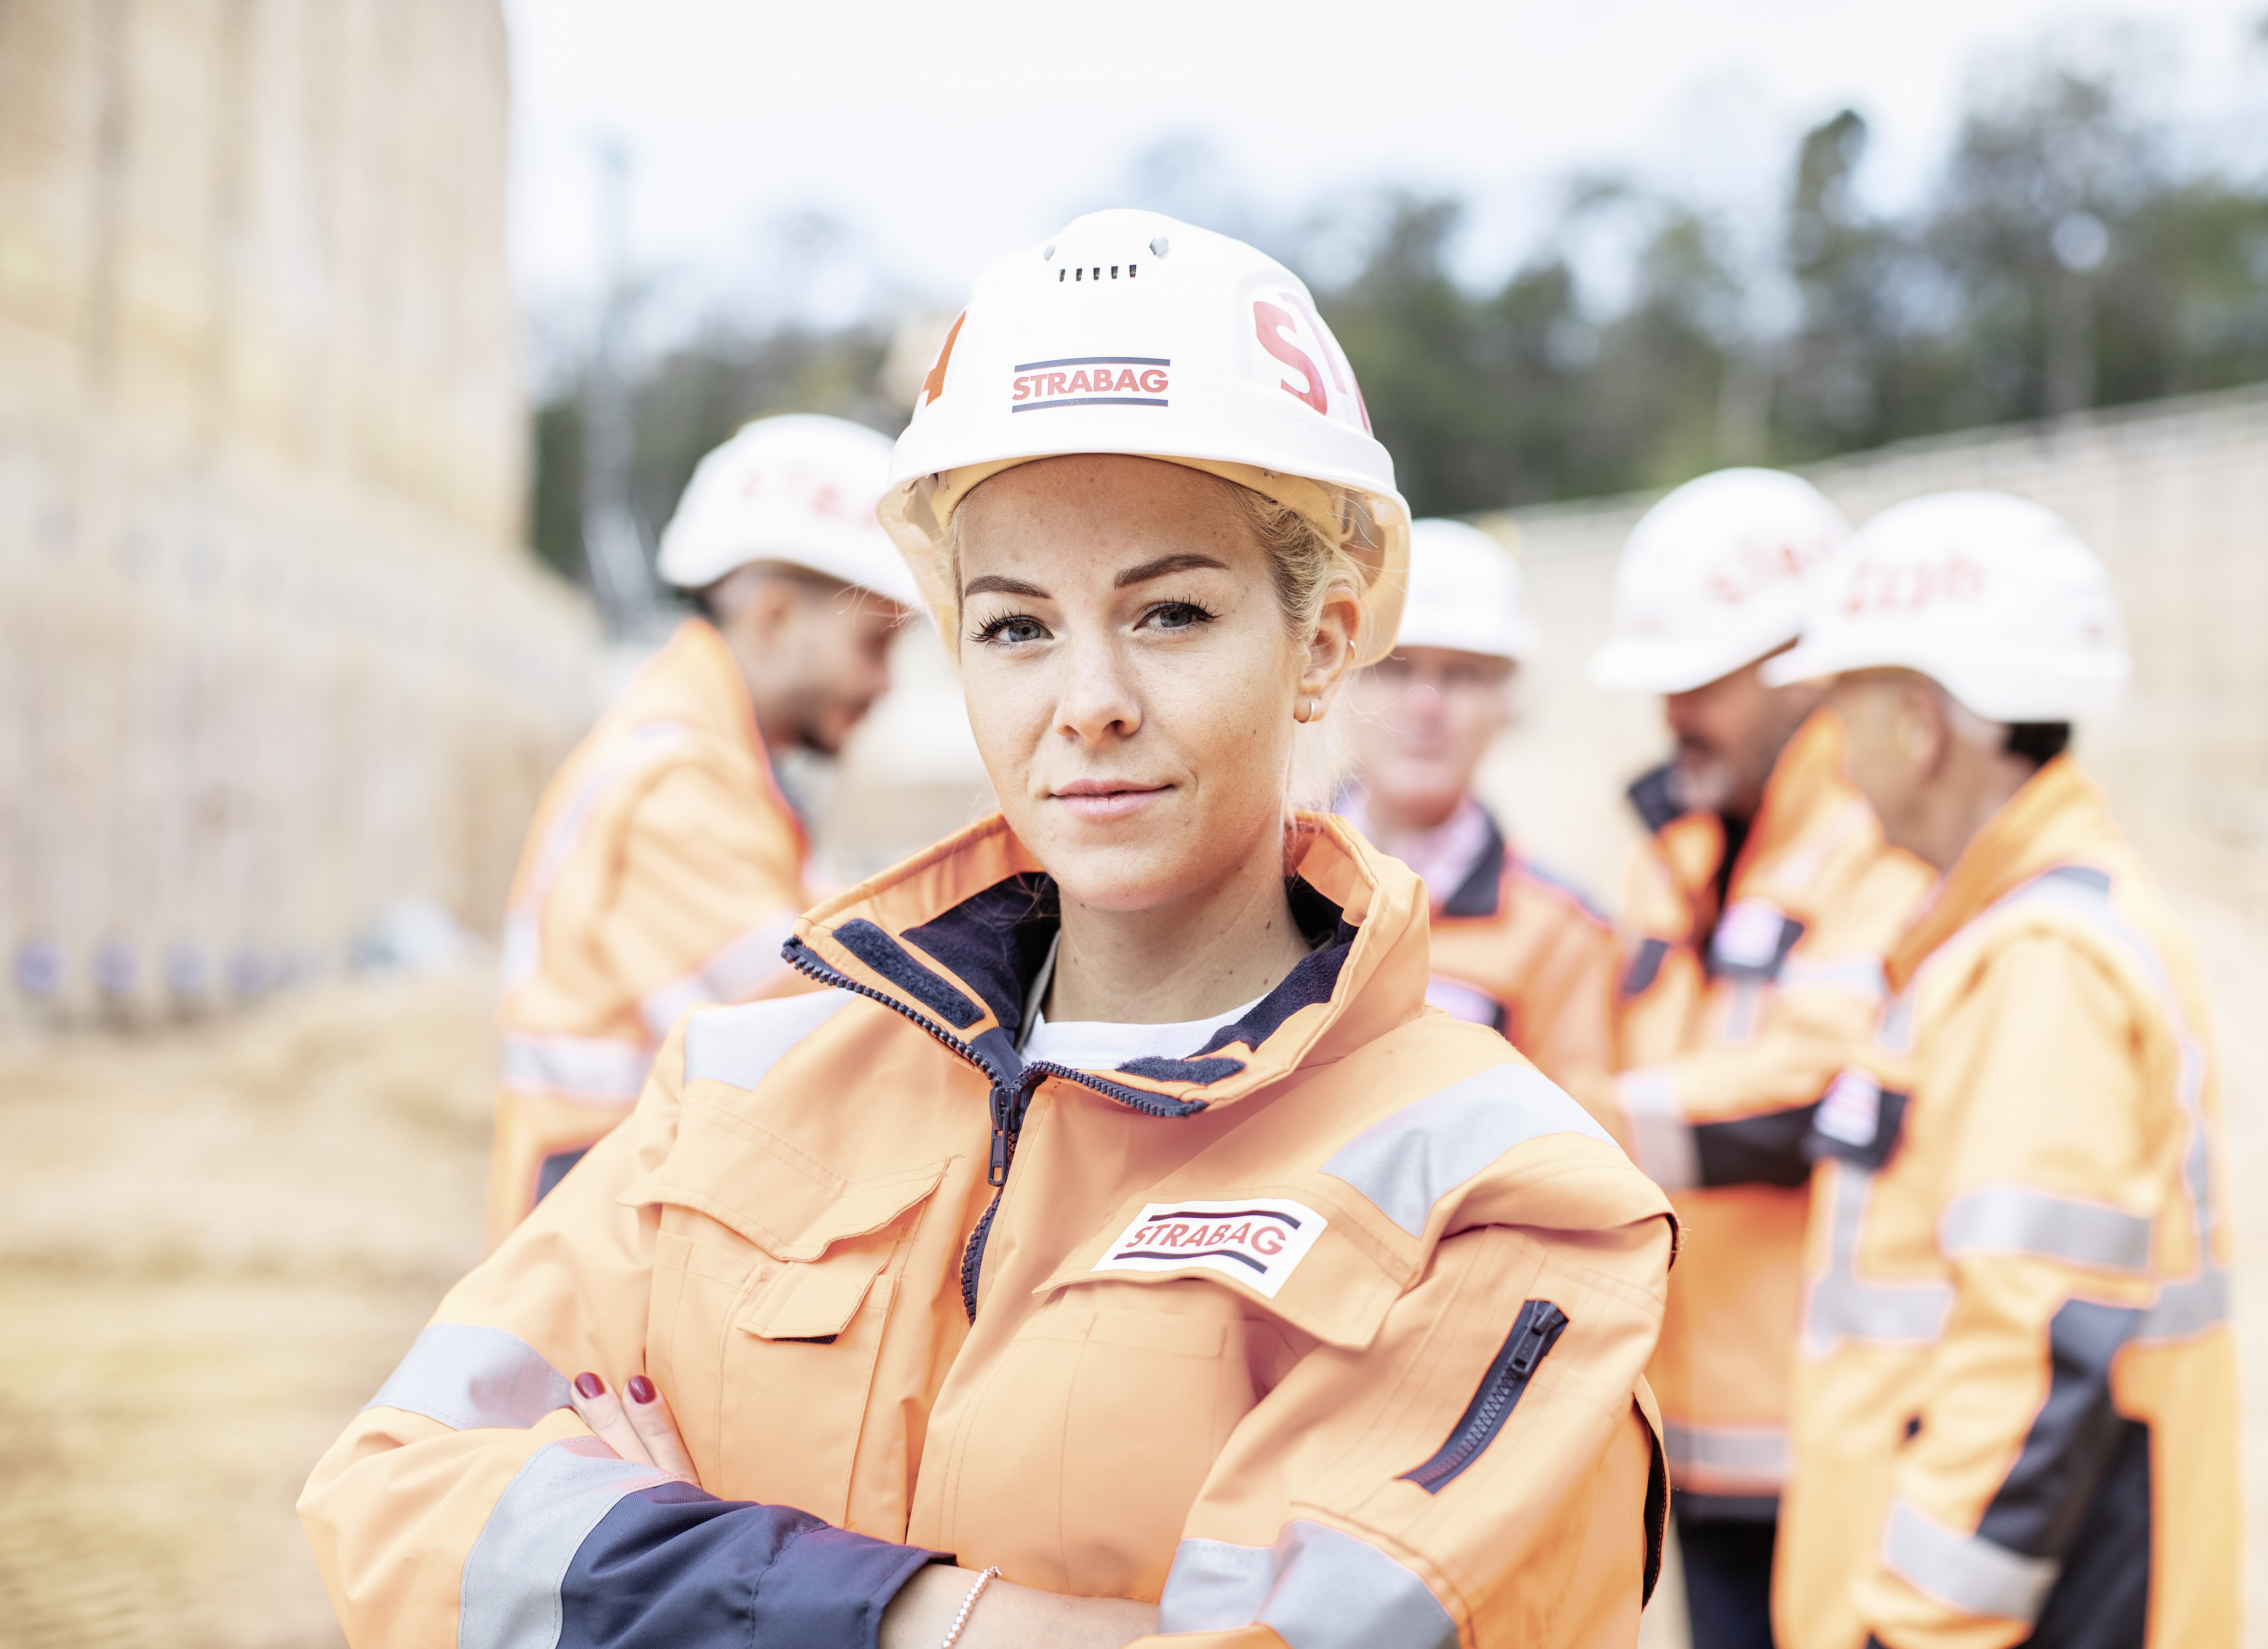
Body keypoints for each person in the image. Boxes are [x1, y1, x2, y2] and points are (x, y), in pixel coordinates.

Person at [303, 211, 1678, 1649]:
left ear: (1323, 642)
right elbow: (395, 1511)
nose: (1085, 699)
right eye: (1016, 626)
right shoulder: (738, 1081)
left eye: (1171, 614)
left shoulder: (1501, 1199)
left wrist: (700, 1566)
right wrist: (971, 1615)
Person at [1763, 492, 2239, 1649]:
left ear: (1920, 726)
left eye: (1843, 710)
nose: (1834, 752)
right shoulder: (2016, 933)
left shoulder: (2039, 966)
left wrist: (1913, 1627)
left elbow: (2034, 1352)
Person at [1589, 469, 1934, 1649]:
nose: (1674, 710)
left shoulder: (1881, 851)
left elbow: (1812, 1094)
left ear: (1801, 666)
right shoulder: (1671, 852)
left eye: (1704, 677)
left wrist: (1572, 1122)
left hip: (1835, 1431)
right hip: (1691, 1432)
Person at [484, 413, 922, 1248]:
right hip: (605, 1241)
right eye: (874, 643)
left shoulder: (717, 763)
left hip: (623, 1209)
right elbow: (806, 1024)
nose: (885, 683)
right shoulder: (677, 786)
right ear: (775, 618)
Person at [1334, 518, 1622, 1108]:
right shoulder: (1259, 882)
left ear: (1504, 702)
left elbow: (1566, 1165)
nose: (1426, 706)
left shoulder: (1563, 934)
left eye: (1462, 676)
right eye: (1398, 667)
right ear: (1342, 678)